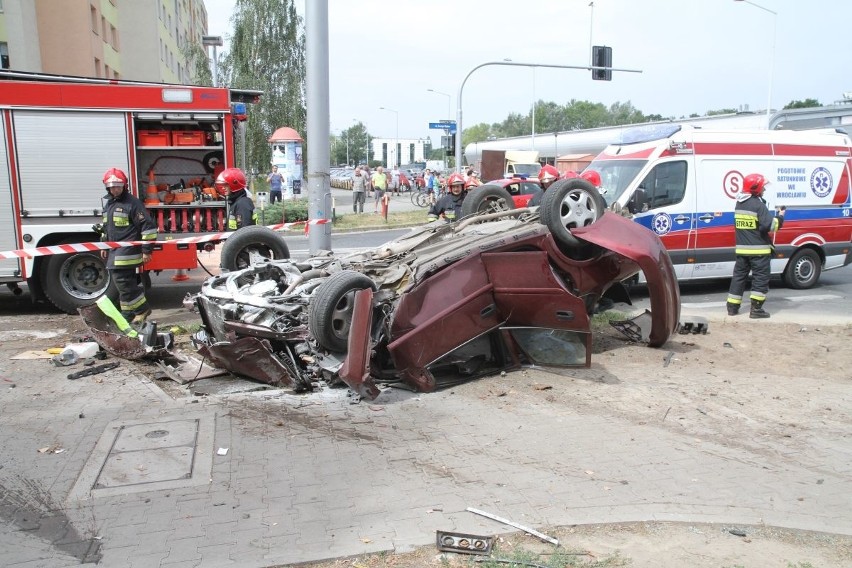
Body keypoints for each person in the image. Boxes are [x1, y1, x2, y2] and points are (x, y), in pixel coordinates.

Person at [100, 168, 158, 323]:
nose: (115, 189)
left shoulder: (132, 203)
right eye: (112, 186)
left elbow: (149, 227)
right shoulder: (109, 205)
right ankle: (128, 313)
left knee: (124, 283)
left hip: (127, 252)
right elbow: (106, 228)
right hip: (114, 251)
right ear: (107, 187)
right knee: (124, 285)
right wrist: (104, 246)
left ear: (124, 185)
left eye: (118, 186)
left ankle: (142, 309)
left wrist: (147, 250)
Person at [726, 173, 785, 318]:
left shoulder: (739, 203)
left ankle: (732, 308)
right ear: (756, 188)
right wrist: (780, 216)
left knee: (738, 278)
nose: (764, 190)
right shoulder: (758, 205)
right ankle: (756, 310)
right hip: (759, 251)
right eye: (762, 187)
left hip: (742, 250)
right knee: (760, 279)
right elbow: (770, 226)